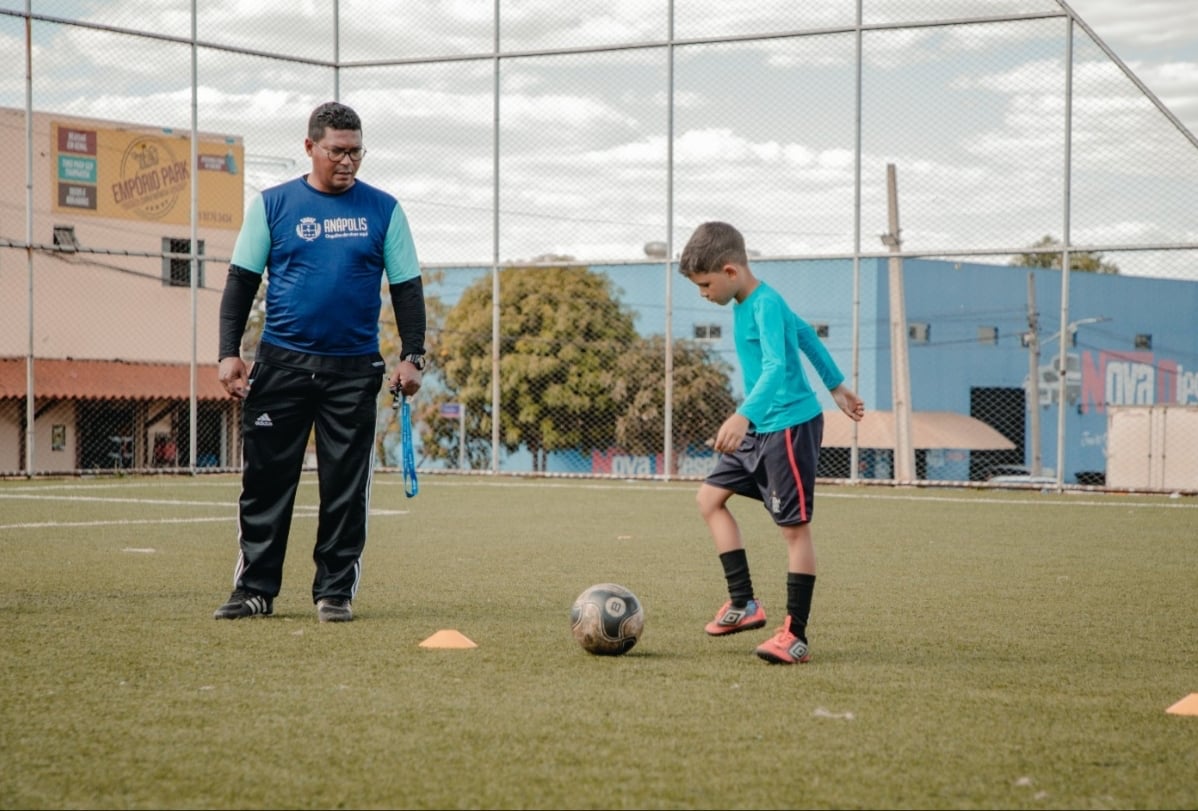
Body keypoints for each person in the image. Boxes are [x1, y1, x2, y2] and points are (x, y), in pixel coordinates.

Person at [212, 101, 427, 623]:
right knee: (266, 482)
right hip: (281, 365)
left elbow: (407, 288)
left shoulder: (385, 210)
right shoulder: (273, 205)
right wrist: (228, 353)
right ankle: (255, 590)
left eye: (356, 152)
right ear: (310, 148)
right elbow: (241, 281)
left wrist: (413, 357)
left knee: (345, 487)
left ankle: (334, 591)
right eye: (337, 151)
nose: (348, 162)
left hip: (353, 371)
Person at [678, 221, 865, 664]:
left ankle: (795, 635)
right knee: (709, 500)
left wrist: (744, 414)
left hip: (788, 427)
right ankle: (743, 603)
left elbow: (778, 367)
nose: (703, 294)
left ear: (730, 271)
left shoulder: (766, 302)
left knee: (794, 530)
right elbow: (804, 334)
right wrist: (837, 385)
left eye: (705, 285)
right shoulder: (746, 304)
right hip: (762, 427)